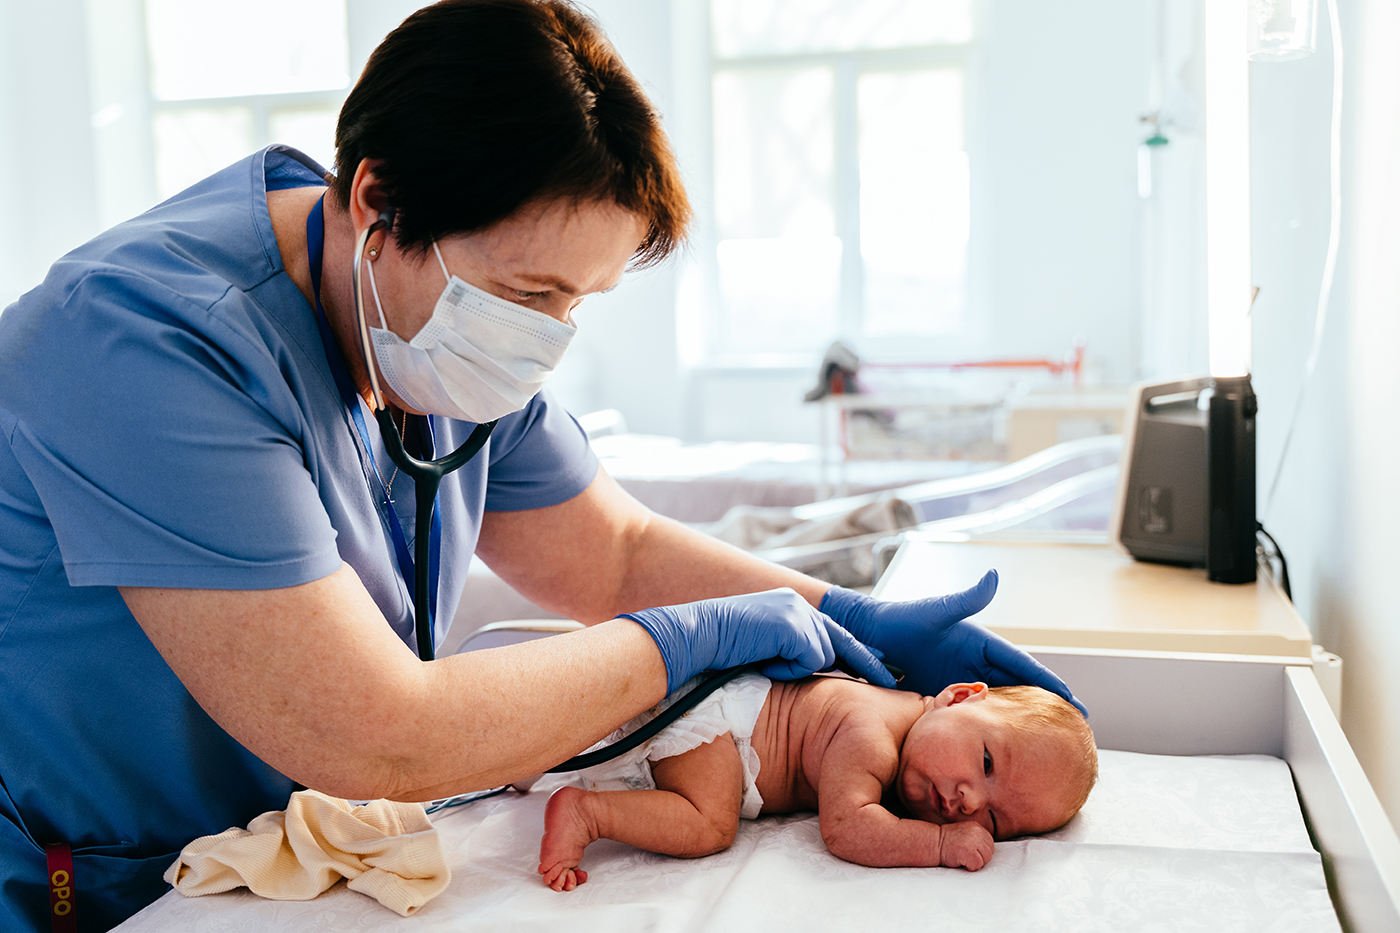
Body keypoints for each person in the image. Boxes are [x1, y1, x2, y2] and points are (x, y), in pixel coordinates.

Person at [0, 1, 1083, 929]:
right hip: (59, 872)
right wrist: (684, 644)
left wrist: (843, 614)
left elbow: (610, 554)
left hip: (244, 863)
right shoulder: (141, 345)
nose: (548, 338)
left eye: (579, 299)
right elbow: (376, 734)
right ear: (378, 204)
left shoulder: (421, 342)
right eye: (527, 296)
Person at [538, 678, 1097, 890]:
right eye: (986, 762)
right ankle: (587, 813)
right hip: (715, 725)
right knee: (709, 824)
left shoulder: (910, 732)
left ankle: (540, 767)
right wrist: (941, 844)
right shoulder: (872, 732)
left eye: (994, 820)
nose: (969, 800)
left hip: (720, 726)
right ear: (957, 696)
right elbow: (847, 827)